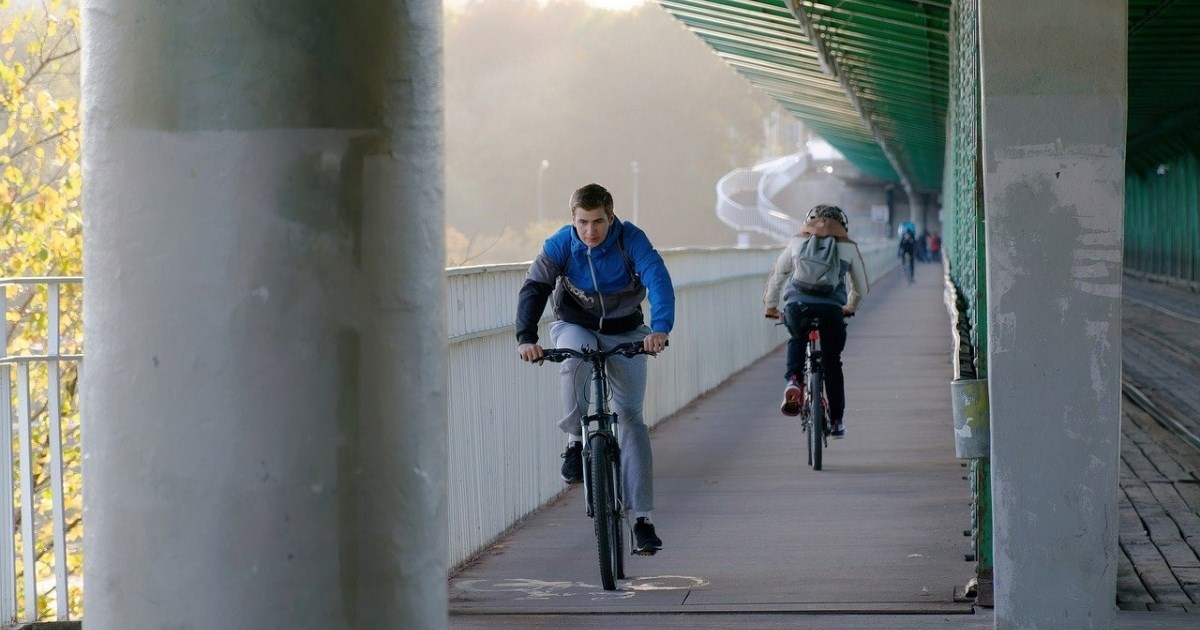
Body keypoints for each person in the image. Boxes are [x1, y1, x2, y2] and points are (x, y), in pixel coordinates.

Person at [515, 182, 674, 555]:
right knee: (572, 357)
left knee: (631, 418)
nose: (591, 231)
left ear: (611, 216)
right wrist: (525, 337)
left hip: (627, 330)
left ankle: (642, 520)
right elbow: (535, 287)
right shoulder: (559, 244)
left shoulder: (631, 240)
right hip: (576, 325)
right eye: (583, 222)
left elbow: (658, 280)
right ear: (572, 220)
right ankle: (574, 441)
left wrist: (661, 329)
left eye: (599, 221)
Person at [763, 204, 868, 437]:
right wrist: (849, 308)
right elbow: (860, 288)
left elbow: (778, 277)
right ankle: (838, 420)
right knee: (832, 362)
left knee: (797, 336)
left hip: (797, 306)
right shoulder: (848, 248)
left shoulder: (797, 242)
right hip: (831, 311)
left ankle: (793, 379)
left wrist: (771, 306)